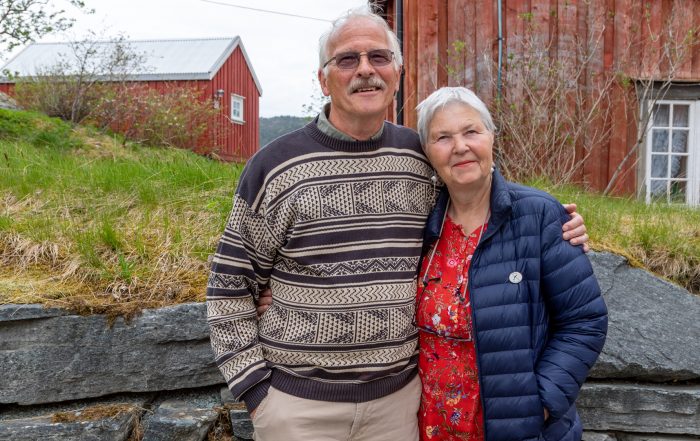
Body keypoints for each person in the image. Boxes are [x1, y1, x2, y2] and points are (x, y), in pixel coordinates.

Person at [207, 8, 589, 441]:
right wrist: (258, 392)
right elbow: (229, 288)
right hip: (299, 409)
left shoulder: (420, 158)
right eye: (348, 59)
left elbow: (479, 197)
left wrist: (561, 223)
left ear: (398, 73)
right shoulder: (274, 167)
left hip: (399, 407)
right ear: (322, 78)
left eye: (379, 57)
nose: (366, 70)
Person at [413, 86, 607, 440]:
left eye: (471, 131)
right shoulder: (420, 225)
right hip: (431, 426)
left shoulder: (539, 215)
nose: (460, 147)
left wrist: (540, 403)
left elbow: (584, 321)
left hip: (517, 426)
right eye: (443, 137)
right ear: (427, 151)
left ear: (491, 137)